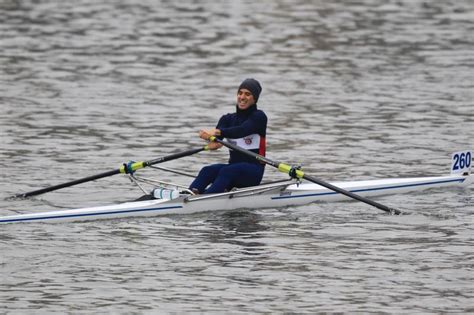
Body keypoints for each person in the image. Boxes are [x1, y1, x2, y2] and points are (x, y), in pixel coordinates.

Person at [189, 78, 267, 194]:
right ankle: (188, 195)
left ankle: (204, 198)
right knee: (207, 170)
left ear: (254, 99)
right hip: (233, 169)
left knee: (228, 171)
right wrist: (210, 141)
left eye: (247, 94)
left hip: (253, 172)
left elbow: (242, 130)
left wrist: (217, 132)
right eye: (240, 93)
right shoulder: (227, 119)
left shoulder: (259, 117)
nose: (242, 97)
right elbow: (217, 143)